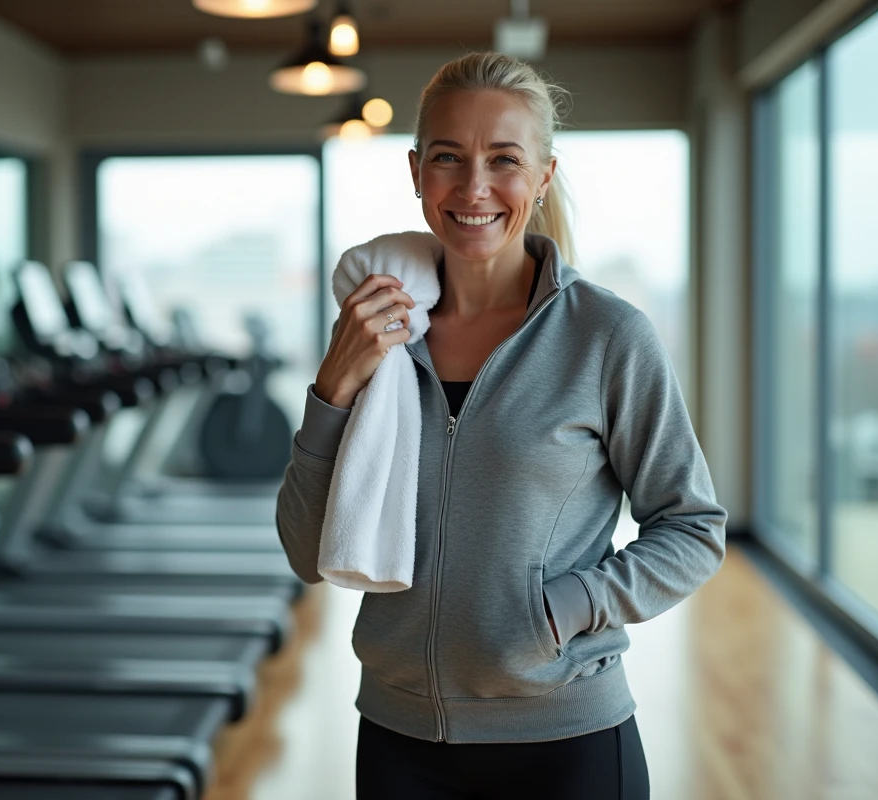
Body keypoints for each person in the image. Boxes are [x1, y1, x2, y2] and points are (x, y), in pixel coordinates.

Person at [275, 52, 727, 799]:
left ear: (543, 176)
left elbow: (693, 526)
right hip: (399, 739)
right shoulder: (378, 330)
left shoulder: (606, 336)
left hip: (568, 739)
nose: (474, 186)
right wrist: (333, 384)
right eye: (449, 158)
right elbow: (302, 548)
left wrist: (568, 607)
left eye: (504, 160)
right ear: (417, 172)